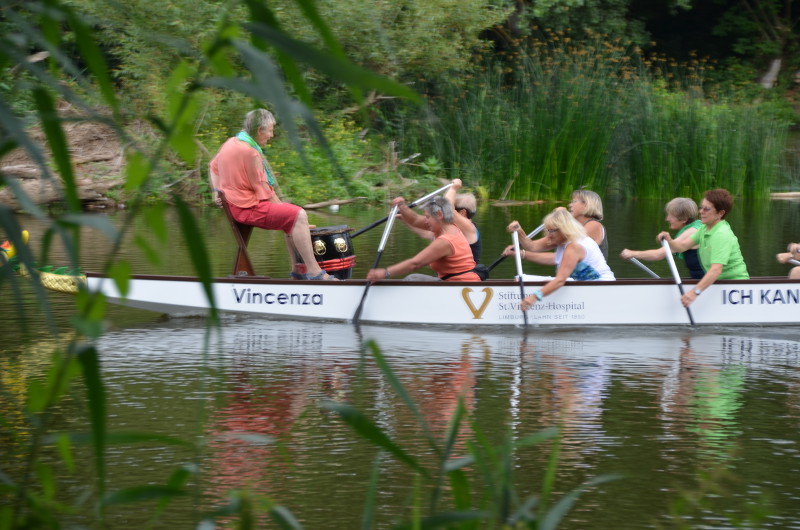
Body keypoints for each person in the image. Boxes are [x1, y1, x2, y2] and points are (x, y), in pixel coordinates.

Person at [208, 109, 336, 280]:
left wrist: (216, 191)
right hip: (246, 208)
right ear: (259, 130)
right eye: (270, 130)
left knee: (293, 217)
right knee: (297, 214)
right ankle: (314, 272)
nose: (272, 135)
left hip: (235, 206)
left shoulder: (231, 142)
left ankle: (298, 272)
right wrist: (298, 219)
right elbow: (265, 193)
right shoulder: (251, 153)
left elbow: (213, 166)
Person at [505, 207, 615, 311]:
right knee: (520, 279)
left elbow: (560, 280)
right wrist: (519, 231)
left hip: (601, 288)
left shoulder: (574, 247)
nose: (549, 235)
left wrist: (533, 297)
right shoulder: (559, 239)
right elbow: (531, 246)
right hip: (583, 285)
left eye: (552, 231)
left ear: (564, 229)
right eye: (548, 230)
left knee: (542, 282)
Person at [659, 188, 748, 308]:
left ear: (720, 213)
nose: (701, 211)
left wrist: (694, 293)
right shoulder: (704, 228)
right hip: (719, 283)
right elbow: (682, 247)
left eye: (706, 209)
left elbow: (716, 270)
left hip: (735, 286)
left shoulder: (721, 234)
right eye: (701, 207)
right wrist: (669, 240)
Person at [366, 196, 481, 282]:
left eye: (427, 217)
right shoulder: (447, 225)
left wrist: (384, 273)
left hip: (461, 287)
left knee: (412, 279)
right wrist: (401, 206)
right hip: (454, 284)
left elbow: (415, 264)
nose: (425, 221)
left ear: (439, 215)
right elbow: (415, 220)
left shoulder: (446, 241)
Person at [395, 179, 482, 263]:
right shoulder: (448, 227)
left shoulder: (470, 228)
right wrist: (402, 210)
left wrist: (454, 188)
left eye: (454, 207)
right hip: (444, 275)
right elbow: (417, 222)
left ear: (463, 212)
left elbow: (447, 206)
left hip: (463, 277)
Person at [620, 197, 704, 279]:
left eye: (670, 216)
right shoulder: (697, 226)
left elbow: (658, 255)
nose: (666, 219)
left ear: (684, 219)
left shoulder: (692, 231)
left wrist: (632, 253)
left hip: (708, 283)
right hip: (699, 280)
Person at [570, 189, 608, 260]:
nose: (570, 205)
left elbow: (571, 246)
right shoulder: (578, 226)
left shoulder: (594, 225)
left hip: (593, 271)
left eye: (574, 202)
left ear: (586, 205)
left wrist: (561, 217)